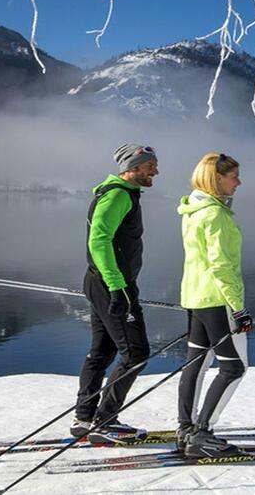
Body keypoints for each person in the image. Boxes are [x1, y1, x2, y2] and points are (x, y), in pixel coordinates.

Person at [71, 143, 159, 443]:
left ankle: (84, 418)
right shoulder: (119, 195)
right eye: (151, 166)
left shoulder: (119, 193)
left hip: (102, 283)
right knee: (136, 353)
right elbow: (99, 241)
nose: (156, 171)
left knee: (103, 351)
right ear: (133, 166)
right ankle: (104, 421)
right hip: (112, 285)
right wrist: (117, 287)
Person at [175, 152, 254, 458]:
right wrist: (239, 308)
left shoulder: (193, 211)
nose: (239, 182)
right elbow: (221, 266)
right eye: (234, 176)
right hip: (219, 299)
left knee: (196, 362)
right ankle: (202, 434)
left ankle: (186, 428)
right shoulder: (216, 216)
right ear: (216, 178)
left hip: (196, 297)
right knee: (234, 368)